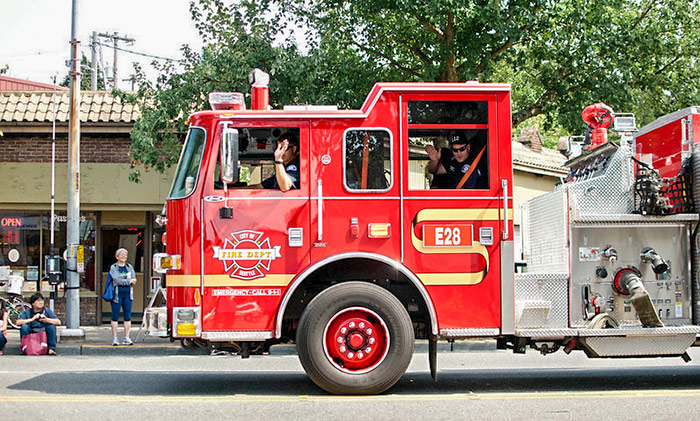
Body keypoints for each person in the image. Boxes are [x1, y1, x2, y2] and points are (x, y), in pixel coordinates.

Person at [109, 248, 137, 346]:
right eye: (121, 255)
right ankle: (115, 338)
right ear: (117, 257)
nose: (123, 256)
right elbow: (116, 279)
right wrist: (128, 281)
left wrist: (124, 282)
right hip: (117, 295)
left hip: (128, 295)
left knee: (127, 316)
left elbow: (134, 279)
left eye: (125, 255)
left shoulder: (129, 267)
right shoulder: (114, 267)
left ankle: (127, 337)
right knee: (115, 316)